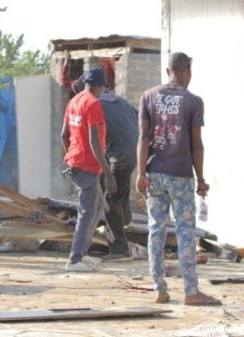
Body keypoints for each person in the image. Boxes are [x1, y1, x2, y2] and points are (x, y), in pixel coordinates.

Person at [137, 52, 221, 305]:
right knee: (185, 232)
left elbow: (142, 138)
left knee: (156, 231)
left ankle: (159, 289)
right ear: (187, 70)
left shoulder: (148, 96)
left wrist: (141, 174)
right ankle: (191, 292)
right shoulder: (193, 101)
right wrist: (201, 178)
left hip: (154, 174)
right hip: (181, 176)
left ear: (167, 70)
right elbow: (197, 145)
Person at [72, 76, 139, 259]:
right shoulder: (122, 102)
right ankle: (125, 220)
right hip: (132, 153)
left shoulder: (95, 106)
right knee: (119, 192)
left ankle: (119, 249)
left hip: (119, 156)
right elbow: (137, 119)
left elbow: (92, 140)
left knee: (110, 199)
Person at [61, 68, 117, 272]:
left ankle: (82, 254)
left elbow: (63, 135)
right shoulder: (93, 104)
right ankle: (74, 259)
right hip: (87, 165)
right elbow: (94, 140)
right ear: (100, 86)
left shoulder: (73, 102)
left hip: (78, 162)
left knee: (98, 205)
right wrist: (108, 172)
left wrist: (73, 156)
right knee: (87, 212)